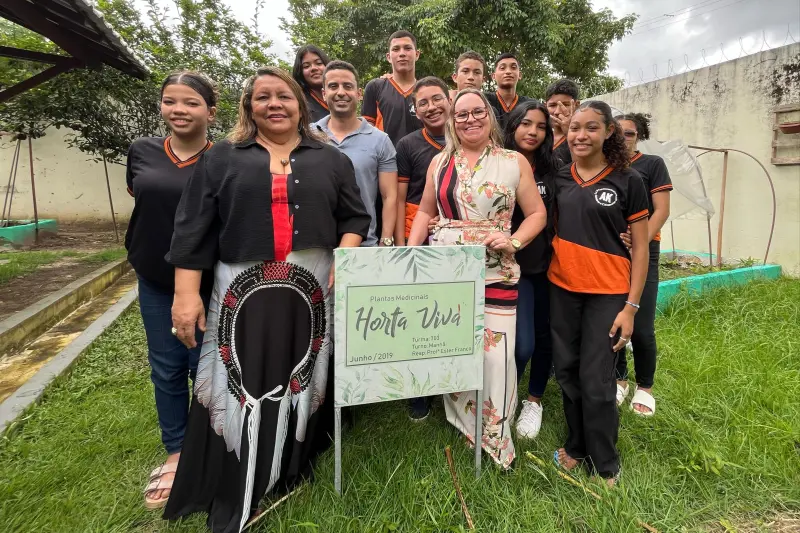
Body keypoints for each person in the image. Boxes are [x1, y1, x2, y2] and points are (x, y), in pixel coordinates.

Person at [163, 66, 370, 532]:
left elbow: (355, 218)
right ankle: (237, 477)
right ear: (248, 107)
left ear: (301, 104)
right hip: (241, 293)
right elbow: (191, 229)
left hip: (312, 289)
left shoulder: (331, 160)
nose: (274, 104)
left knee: (300, 378)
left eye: (284, 96)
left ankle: (287, 468)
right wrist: (185, 295)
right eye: (263, 97)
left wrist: (345, 257)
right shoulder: (221, 158)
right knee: (239, 383)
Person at [407, 89, 547, 469]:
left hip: (496, 269)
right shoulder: (439, 162)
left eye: (477, 112)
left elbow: (537, 214)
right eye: (461, 114)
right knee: (456, 348)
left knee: (497, 355)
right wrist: (409, 254)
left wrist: (515, 239)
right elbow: (423, 212)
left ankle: (497, 438)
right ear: (452, 120)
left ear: (489, 116)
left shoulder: (513, 161)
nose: (469, 119)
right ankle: (464, 421)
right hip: (446, 270)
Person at [126, 71, 217, 510]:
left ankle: (210, 449)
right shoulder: (142, 151)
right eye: (170, 101)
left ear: (210, 112)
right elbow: (143, 201)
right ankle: (177, 450)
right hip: (155, 280)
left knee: (207, 367)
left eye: (191, 103)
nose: (179, 110)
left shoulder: (225, 158)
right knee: (165, 367)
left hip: (212, 283)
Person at [548, 100, 649, 486]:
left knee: (597, 379)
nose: (581, 135)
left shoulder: (629, 181)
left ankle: (606, 462)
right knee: (568, 372)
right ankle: (576, 447)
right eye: (575, 128)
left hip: (608, 295)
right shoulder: (560, 178)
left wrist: (631, 307)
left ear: (609, 132)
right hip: (563, 289)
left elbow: (640, 248)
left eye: (591, 127)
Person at [394, 76, 452, 421]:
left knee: (446, 312)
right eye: (423, 103)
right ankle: (418, 390)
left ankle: (451, 381)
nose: (431, 107)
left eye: (436, 99)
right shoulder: (408, 145)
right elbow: (400, 198)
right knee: (417, 317)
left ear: (450, 100)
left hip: (454, 235)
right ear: (416, 112)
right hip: (416, 232)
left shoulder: (469, 140)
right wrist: (402, 247)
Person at [503, 100, 561, 439]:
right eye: (526, 124)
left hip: (546, 268)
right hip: (508, 268)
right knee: (520, 344)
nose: (533, 131)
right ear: (513, 126)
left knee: (543, 337)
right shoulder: (496, 163)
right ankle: (505, 394)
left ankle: (533, 401)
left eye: (540, 126)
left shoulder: (555, 169)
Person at [614, 113, 672, 416]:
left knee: (643, 326)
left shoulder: (652, 165)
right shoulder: (606, 166)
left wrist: (639, 240)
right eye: (618, 133)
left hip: (644, 250)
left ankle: (645, 386)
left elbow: (661, 211)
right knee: (614, 321)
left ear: (639, 136)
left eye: (630, 134)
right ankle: (620, 379)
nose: (624, 139)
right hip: (613, 253)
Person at [314, 60, 398, 247]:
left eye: (348, 86)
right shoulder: (307, 136)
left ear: (359, 94)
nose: (341, 92)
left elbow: (389, 196)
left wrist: (386, 241)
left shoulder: (380, 140)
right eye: (333, 86)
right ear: (324, 93)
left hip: (364, 246)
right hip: (316, 245)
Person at [362, 30, 423, 146]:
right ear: (389, 57)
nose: (402, 53)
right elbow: (366, 130)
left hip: (420, 158)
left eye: (407, 48)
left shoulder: (426, 90)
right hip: (386, 160)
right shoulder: (375, 87)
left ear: (417, 54)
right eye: (396, 49)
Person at [484, 53, 531, 127]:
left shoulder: (529, 105)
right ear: (493, 76)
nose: (508, 72)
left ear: (520, 75)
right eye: (502, 68)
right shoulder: (484, 100)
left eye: (513, 67)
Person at [545, 79, 580, 166]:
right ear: (545, 106)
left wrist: (570, 132)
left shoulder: (585, 138)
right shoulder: (541, 136)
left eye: (565, 105)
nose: (557, 112)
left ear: (577, 105)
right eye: (552, 105)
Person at [292, 44, 331, 123]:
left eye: (319, 63)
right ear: (300, 72)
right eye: (306, 66)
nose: (313, 68)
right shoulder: (299, 103)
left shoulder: (340, 94)